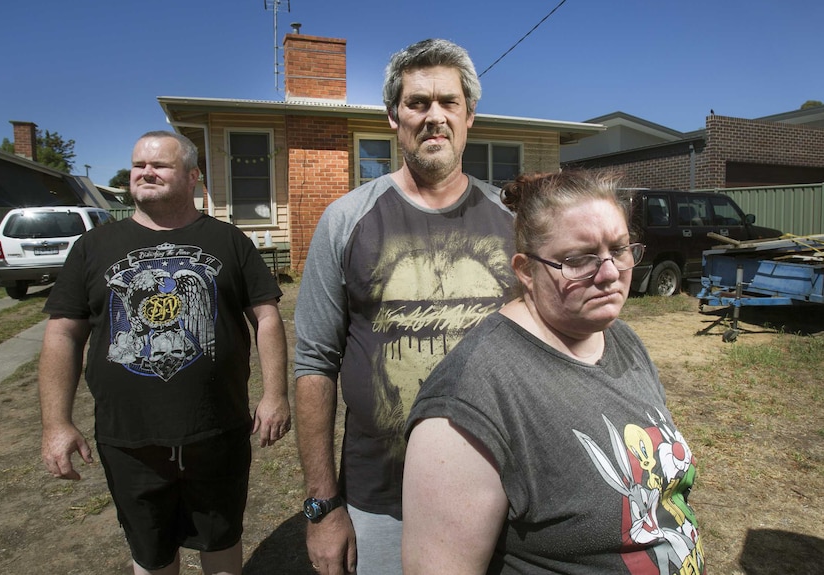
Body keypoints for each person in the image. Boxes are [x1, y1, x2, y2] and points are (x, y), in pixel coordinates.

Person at [402, 169, 707, 575]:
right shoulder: (468, 404)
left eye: (619, 249)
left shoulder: (622, 340)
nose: (611, 273)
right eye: (579, 259)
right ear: (526, 271)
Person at [294, 38, 516, 574]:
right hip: (381, 498)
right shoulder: (347, 220)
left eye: (449, 103)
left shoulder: (515, 221)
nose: (434, 117)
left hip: (505, 491)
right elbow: (313, 365)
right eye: (418, 103)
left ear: (470, 117)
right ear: (394, 117)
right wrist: (322, 507)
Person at [39, 130, 291, 575]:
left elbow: (267, 319)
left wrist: (274, 395)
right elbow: (62, 335)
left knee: (221, 542)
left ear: (193, 176)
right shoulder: (93, 247)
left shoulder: (230, 242)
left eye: (160, 165)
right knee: (151, 554)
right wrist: (56, 423)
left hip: (216, 430)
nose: (145, 172)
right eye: (139, 165)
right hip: (129, 438)